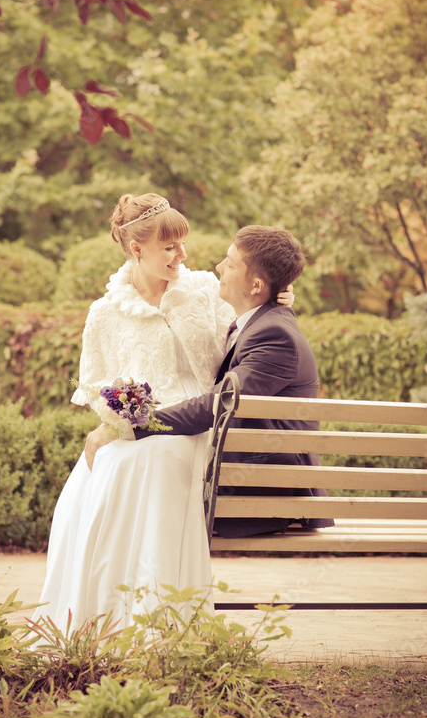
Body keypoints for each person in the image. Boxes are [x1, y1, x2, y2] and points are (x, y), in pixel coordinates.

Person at [33, 192, 240, 634]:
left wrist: (280, 294)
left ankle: (158, 620)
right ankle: (99, 623)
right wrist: (116, 418)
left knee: (157, 460)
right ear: (136, 249)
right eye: (170, 247)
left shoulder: (204, 290)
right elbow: (96, 385)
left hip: (196, 421)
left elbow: (248, 321)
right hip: (136, 426)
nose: (182, 255)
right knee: (91, 483)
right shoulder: (105, 313)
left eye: (182, 244)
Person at [85, 224, 334, 537]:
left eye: (230, 263)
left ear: (256, 285)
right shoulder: (259, 322)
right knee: (138, 463)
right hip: (248, 472)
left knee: (143, 464)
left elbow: (217, 405)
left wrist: (131, 426)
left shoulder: (273, 336)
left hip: (265, 490)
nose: (219, 267)